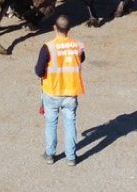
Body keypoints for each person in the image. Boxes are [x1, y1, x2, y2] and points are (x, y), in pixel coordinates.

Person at [36, 15, 84, 166]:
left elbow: (39, 71)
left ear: (55, 28)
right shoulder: (77, 45)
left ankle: (50, 154)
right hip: (70, 92)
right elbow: (81, 59)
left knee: (51, 123)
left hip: (52, 91)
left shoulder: (48, 47)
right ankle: (71, 157)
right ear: (69, 29)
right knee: (70, 123)